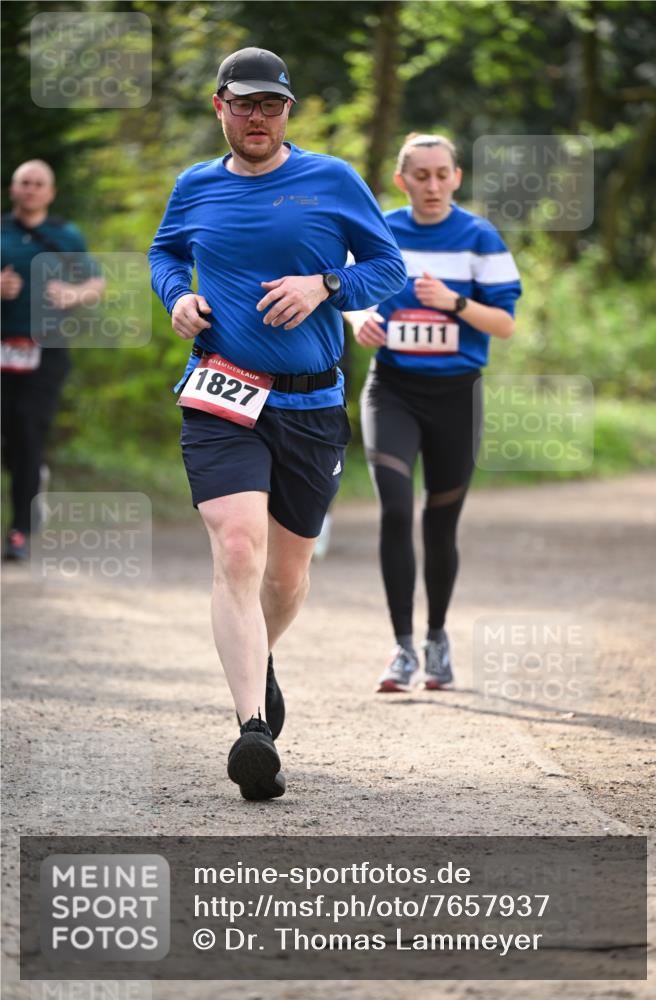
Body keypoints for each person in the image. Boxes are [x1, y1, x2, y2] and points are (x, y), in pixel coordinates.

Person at [148, 48, 406, 800]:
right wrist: (177, 296)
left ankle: (257, 653)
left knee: (287, 578)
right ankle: (252, 732)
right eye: (243, 103)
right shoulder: (195, 185)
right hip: (221, 393)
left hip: (310, 404)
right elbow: (165, 253)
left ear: (287, 111)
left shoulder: (332, 179)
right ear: (220, 106)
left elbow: (386, 267)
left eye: (271, 105)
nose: (257, 117)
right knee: (236, 548)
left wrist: (325, 283)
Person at [345, 133, 522, 693]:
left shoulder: (479, 237)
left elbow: (505, 324)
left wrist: (455, 303)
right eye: (421, 176)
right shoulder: (381, 229)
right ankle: (401, 649)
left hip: (456, 396)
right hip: (392, 390)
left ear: (457, 177)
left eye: (442, 174)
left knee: (440, 524)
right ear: (402, 181)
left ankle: (436, 638)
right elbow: (347, 293)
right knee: (396, 510)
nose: (432, 185)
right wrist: (361, 321)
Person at [1, 160, 104, 560]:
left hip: (46, 351)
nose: (30, 189)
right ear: (13, 189)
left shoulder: (65, 234)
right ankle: (31, 480)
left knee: (28, 431)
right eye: (24, 182)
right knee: (10, 438)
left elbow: (95, 283)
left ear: (50, 192)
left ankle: (20, 530)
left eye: (38, 183)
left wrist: (72, 294)